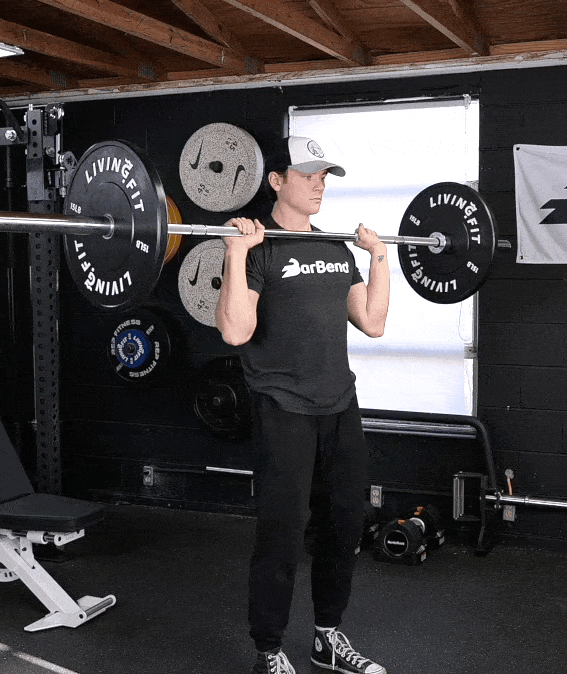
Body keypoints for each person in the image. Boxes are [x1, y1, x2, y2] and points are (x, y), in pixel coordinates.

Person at [215, 136, 390, 674]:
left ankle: (326, 638)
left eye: (324, 176)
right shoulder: (258, 247)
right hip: (282, 409)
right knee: (283, 534)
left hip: (339, 406)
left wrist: (380, 256)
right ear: (275, 181)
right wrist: (235, 252)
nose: (319, 184)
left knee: (344, 524)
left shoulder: (335, 247)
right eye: (307, 174)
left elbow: (373, 322)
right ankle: (268, 650)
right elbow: (235, 330)